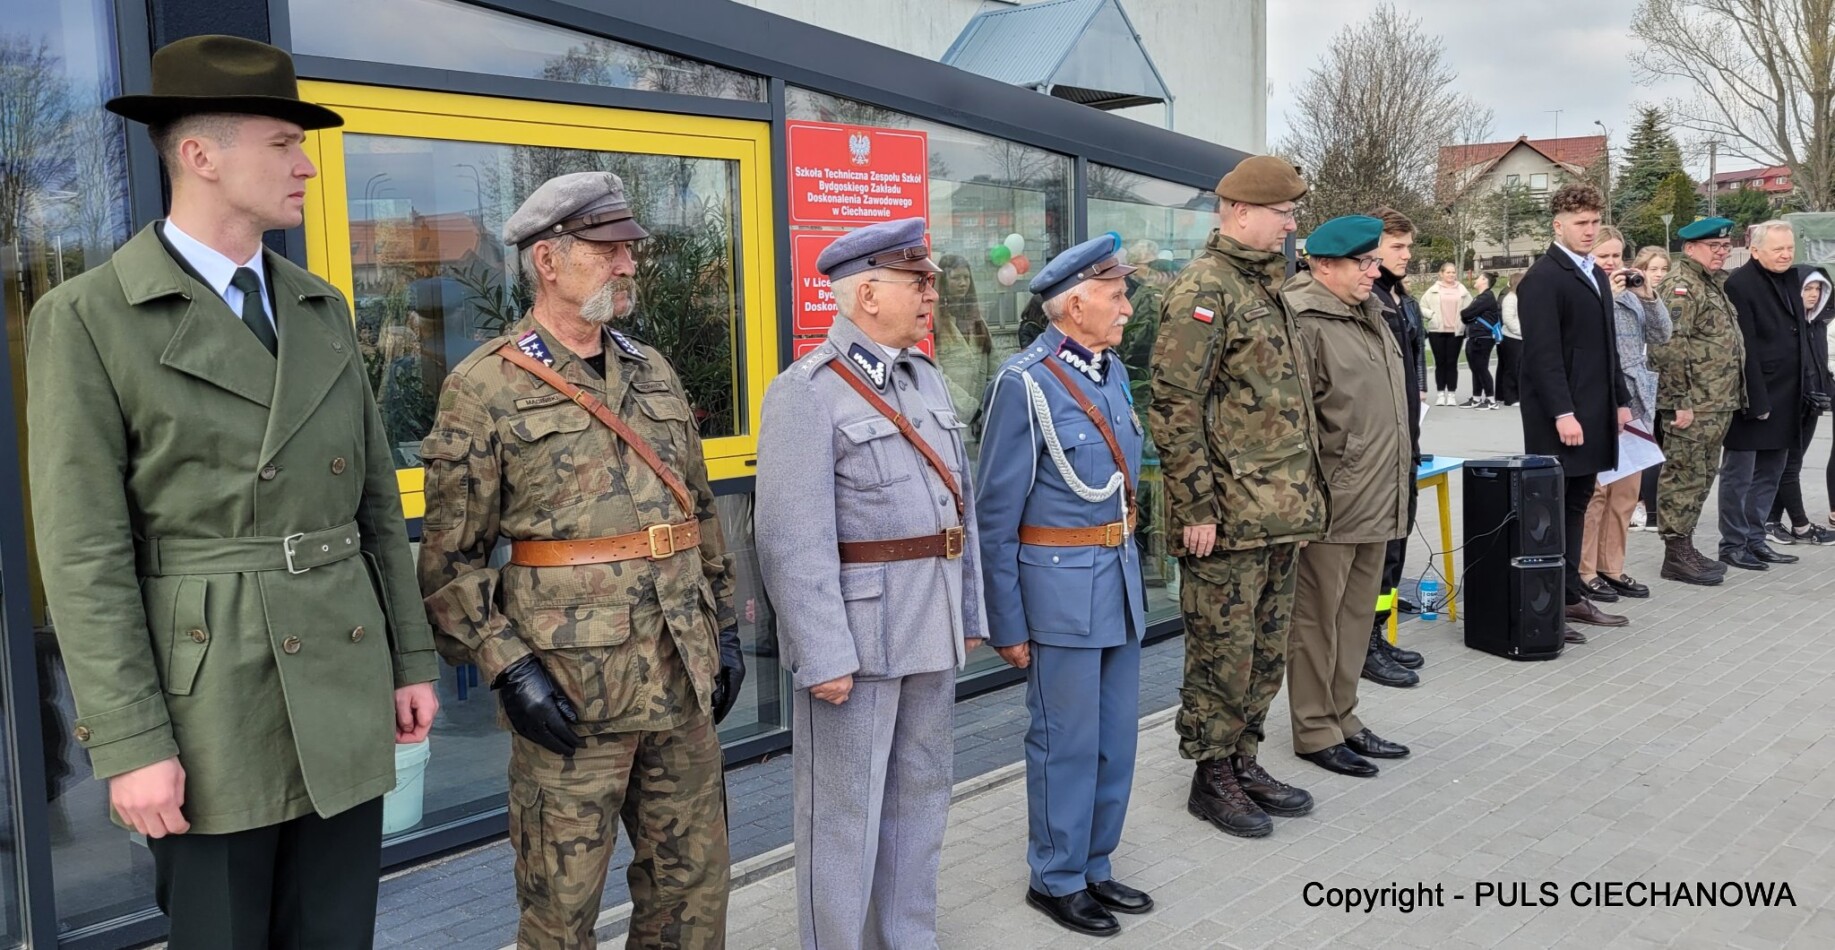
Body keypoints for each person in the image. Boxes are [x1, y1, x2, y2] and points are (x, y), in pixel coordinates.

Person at [26, 35, 440, 947]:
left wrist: (409, 658)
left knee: (336, 932)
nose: (307, 168)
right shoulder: (90, 317)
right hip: (210, 692)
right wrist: (130, 743)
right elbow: (84, 553)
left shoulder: (319, 305)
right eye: (283, 144)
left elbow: (375, 502)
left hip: (341, 666)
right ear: (200, 155)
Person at [419, 171, 742, 947]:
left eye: (630, 249)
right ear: (548, 261)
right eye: (608, 250)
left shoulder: (652, 370)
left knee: (692, 898)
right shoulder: (484, 386)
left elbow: (697, 513)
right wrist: (510, 671)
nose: (628, 264)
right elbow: (450, 564)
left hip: (680, 678)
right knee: (560, 917)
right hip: (571, 696)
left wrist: (725, 627)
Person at [755, 217, 987, 950]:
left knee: (921, 797)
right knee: (843, 815)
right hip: (857, 642)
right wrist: (821, 652)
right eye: (917, 282)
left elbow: (960, 508)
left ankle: (906, 937)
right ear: (867, 293)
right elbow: (790, 539)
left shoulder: (924, 378)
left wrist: (969, 610)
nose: (931, 294)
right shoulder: (807, 392)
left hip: (929, 624)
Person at [976, 234, 1153, 937]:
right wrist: (1006, 622)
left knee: (1115, 740)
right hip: (1059, 594)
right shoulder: (1025, 383)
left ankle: (1094, 864)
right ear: (1075, 305)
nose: (1127, 308)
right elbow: (995, 515)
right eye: (1115, 295)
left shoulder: (1111, 372)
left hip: (1117, 582)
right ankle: (1055, 878)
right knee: (1065, 741)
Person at [1150, 155, 1324, 839]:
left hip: (1278, 509)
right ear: (1240, 211)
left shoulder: (1266, 285)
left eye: (1292, 213)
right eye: (1283, 212)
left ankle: (1244, 757)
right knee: (1222, 650)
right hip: (1226, 516)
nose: (1290, 224)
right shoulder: (1205, 287)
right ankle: (1211, 773)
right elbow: (1174, 405)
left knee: (1265, 648)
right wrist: (1195, 507)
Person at [1282, 216, 1414, 778]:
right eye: (1362, 263)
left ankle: (1344, 716)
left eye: (1373, 261)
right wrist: (1304, 502)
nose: (1373, 271)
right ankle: (1315, 729)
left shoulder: (1370, 312)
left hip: (1377, 492)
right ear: (1323, 265)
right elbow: (1294, 423)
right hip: (1332, 498)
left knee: (1357, 616)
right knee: (1317, 620)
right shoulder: (1302, 319)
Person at [1516, 183, 1633, 643]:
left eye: (1594, 222)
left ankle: (1569, 595)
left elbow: (1609, 346)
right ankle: (1547, 604)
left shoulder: (1596, 274)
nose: (1589, 230)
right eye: (1581, 223)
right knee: (1552, 511)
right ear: (1558, 225)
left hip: (1595, 409)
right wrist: (1562, 412)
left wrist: (1621, 400)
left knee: (1578, 502)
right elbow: (1542, 355)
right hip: (1561, 417)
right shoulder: (1544, 278)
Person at [1577, 226, 1670, 604]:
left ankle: (1611, 566)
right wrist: (1607, 298)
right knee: (1596, 493)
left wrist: (1648, 295)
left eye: (1617, 256)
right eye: (1604, 256)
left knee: (1626, 492)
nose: (1612, 263)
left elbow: (1663, 335)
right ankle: (1584, 570)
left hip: (1636, 399)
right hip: (1599, 400)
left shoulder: (1632, 294)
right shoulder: (1585, 291)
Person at [1649, 217, 1744, 586]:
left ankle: (1685, 545)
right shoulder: (1682, 285)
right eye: (1713, 246)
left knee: (1701, 476)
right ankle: (1675, 554)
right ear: (1690, 248)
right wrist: (1679, 400)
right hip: (1692, 403)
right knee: (1683, 475)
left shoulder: (1709, 282)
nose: (1721, 252)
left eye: (1725, 246)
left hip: (1715, 401)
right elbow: (1668, 346)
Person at [1718, 220, 1814, 570]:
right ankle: (1733, 544)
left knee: (1771, 472)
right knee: (1740, 475)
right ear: (1755, 251)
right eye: (1778, 249)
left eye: (1789, 248)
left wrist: (1810, 384)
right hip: (1754, 396)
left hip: (1788, 393)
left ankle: (1756, 540)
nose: (1786, 254)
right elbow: (1744, 348)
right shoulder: (1739, 284)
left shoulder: (1792, 277)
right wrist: (1756, 400)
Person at [1362, 207, 1428, 690]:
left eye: (1408, 246)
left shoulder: (1402, 298)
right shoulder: (1370, 298)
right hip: (1380, 445)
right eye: (1397, 247)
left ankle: (1379, 633)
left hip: (1406, 441)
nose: (1406, 255)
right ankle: (1363, 643)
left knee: (1396, 549)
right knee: (1378, 552)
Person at [1768, 266, 1835, 544]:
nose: (1813, 294)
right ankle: (1801, 525)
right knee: (1789, 465)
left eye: (1818, 289)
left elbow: (1820, 365)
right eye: (1807, 288)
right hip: (1790, 403)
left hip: (1812, 404)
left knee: (1791, 464)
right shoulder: (1787, 325)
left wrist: (1823, 392)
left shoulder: (1817, 324)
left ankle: (1771, 520)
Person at [1633, 246, 1674, 530]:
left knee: (1655, 448)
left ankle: (1649, 508)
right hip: (1640, 383)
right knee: (1644, 449)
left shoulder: (1664, 297)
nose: (1659, 275)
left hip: (1662, 384)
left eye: (1663, 269)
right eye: (1653, 269)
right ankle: (1644, 508)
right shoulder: (1631, 297)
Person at [934, 253, 994, 428]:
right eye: (956, 278)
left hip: (981, 419)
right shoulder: (934, 322)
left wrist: (988, 406)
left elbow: (993, 367)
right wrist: (971, 409)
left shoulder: (977, 321)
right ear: (944, 281)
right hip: (948, 416)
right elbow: (935, 373)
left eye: (966, 277)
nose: (963, 283)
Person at [1419, 262, 1473, 405]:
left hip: (1456, 332)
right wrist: (1432, 315)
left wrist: (1464, 319)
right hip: (1437, 331)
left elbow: (1471, 307)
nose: (1451, 275)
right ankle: (1441, 394)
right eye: (1448, 272)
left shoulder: (1462, 290)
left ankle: (1452, 394)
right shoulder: (1433, 290)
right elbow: (1421, 307)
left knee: (1452, 363)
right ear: (1441, 274)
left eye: (1453, 272)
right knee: (1440, 363)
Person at [1460, 272, 1504, 407]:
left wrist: (1467, 316)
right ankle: (1476, 398)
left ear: (1484, 280)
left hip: (1482, 337)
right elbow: (1467, 316)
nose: (1475, 279)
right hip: (1476, 336)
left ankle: (1491, 400)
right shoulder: (1481, 297)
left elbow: (1466, 313)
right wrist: (1468, 316)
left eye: (1478, 278)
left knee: (1481, 368)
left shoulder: (1486, 297)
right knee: (1476, 368)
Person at [1498, 281, 1524, 406]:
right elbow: (1508, 319)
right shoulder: (1510, 298)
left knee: (1519, 368)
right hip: (1512, 337)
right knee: (1512, 368)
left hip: (1521, 337)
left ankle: (1518, 394)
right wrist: (1522, 331)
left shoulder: (1521, 297)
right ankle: (1511, 397)